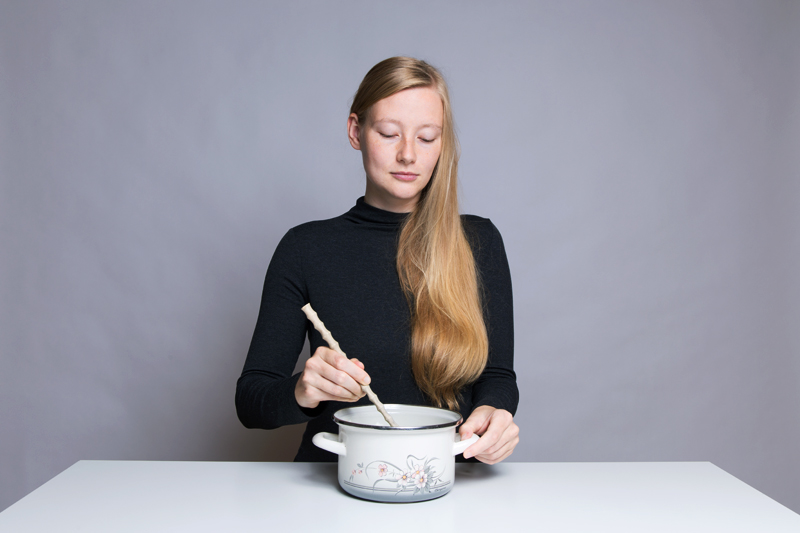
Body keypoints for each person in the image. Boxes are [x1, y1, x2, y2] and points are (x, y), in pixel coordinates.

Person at [236, 56, 519, 464]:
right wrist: (303, 390)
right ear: (356, 131)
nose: (408, 155)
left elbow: (497, 376)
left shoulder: (479, 241)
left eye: (426, 138)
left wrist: (493, 413)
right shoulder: (305, 248)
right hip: (332, 487)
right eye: (389, 134)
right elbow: (251, 402)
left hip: (445, 485)